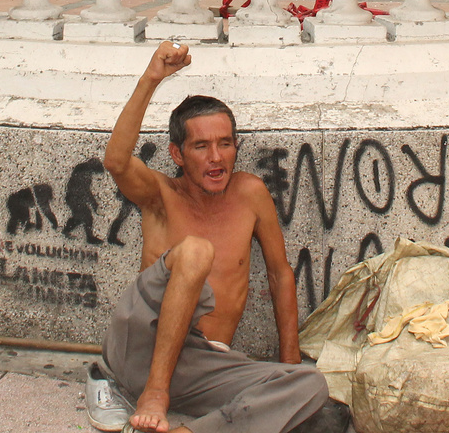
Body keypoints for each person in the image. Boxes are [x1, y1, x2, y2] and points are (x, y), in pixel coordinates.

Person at [88, 40, 328, 433]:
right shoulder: (160, 195)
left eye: (225, 144)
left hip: (204, 366)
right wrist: (151, 79)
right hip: (141, 351)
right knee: (198, 251)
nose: (216, 157)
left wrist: (288, 367)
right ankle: (153, 394)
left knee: (311, 386)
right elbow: (115, 160)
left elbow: (280, 274)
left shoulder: (250, 193)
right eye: (201, 146)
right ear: (178, 154)